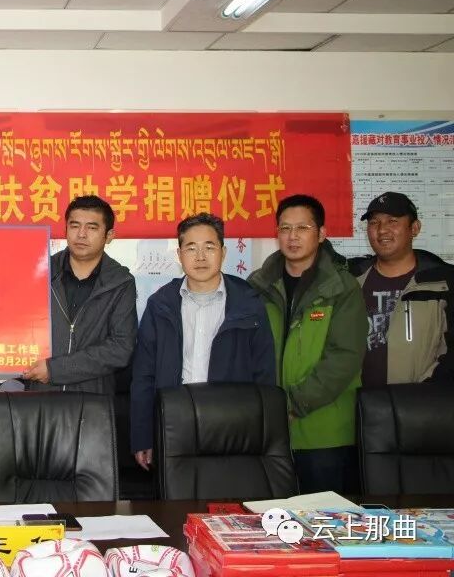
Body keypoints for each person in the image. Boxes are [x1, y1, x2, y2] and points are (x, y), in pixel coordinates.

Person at [130, 213, 276, 470]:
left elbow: (264, 374)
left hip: (233, 423)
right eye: (191, 248)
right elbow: (144, 375)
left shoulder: (249, 303)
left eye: (209, 247)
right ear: (179, 254)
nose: (200, 257)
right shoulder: (160, 304)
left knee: (230, 492)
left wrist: (263, 437)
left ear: (223, 252)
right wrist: (142, 435)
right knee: (177, 493)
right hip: (174, 423)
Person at [248, 194, 367, 493]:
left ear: (321, 233)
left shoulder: (341, 287)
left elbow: (344, 357)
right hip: (269, 432)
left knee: (324, 516)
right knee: (273, 516)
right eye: (285, 228)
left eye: (302, 228)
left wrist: (293, 404)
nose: (293, 236)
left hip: (324, 430)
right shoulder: (258, 285)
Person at [22, 195, 136, 393]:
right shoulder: (39, 273)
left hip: (93, 400)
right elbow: (15, 329)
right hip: (40, 397)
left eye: (92, 228)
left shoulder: (120, 283)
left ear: (109, 235)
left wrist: (55, 370)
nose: (81, 234)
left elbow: (120, 348)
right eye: (74, 226)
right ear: (65, 230)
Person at [348, 191, 454, 386]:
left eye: (392, 221)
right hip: (360, 401)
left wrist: (426, 393)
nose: (382, 230)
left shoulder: (443, 283)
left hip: (422, 400)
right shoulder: (350, 281)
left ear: (415, 228)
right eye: (374, 222)